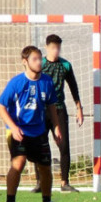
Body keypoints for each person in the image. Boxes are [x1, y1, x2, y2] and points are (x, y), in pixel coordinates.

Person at [0, 45, 61, 202]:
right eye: (35, 59)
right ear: (25, 62)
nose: (39, 62)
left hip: (39, 131)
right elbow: (0, 105)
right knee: (19, 163)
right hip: (18, 131)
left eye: (40, 58)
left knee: (45, 167)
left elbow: (52, 106)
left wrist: (56, 128)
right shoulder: (16, 83)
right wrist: (13, 127)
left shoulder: (47, 81)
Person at [32, 34, 84, 193]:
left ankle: (64, 182)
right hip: (41, 110)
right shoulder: (40, 65)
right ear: (47, 48)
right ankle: (40, 182)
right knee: (38, 146)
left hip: (59, 109)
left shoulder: (65, 65)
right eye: (53, 48)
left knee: (64, 145)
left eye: (58, 48)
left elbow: (73, 87)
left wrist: (79, 108)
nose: (56, 51)